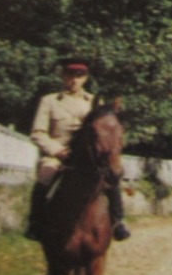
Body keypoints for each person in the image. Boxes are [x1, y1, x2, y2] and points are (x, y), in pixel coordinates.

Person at [26, 57, 129, 241]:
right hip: (59, 156)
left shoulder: (94, 101)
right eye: (70, 75)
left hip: (88, 156)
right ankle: (36, 222)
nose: (74, 80)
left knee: (111, 177)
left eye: (79, 75)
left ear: (85, 78)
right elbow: (38, 132)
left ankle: (118, 221)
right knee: (45, 176)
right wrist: (56, 150)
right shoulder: (49, 101)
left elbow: (105, 130)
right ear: (63, 76)